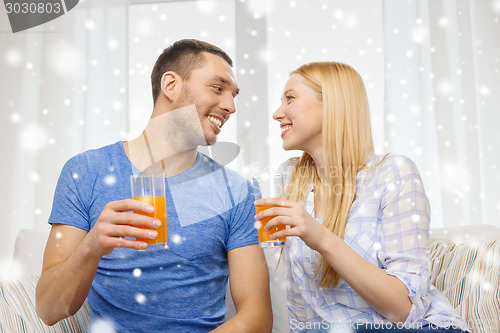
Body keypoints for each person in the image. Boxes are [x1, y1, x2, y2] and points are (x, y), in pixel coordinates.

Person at [35, 39, 272, 333]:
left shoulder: (234, 191)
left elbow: (257, 318)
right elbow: (49, 309)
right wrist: (91, 247)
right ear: (170, 85)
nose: (230, 106)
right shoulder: (85, 172)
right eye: (217, 88)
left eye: (234, 95)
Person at [254, 61, 469, 332]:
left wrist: (320, 237)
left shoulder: (394, 173)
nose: (277, 113)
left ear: (332, 104)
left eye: (290, 99)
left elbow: (405, 312)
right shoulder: (289, 177)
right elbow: (302, 302)